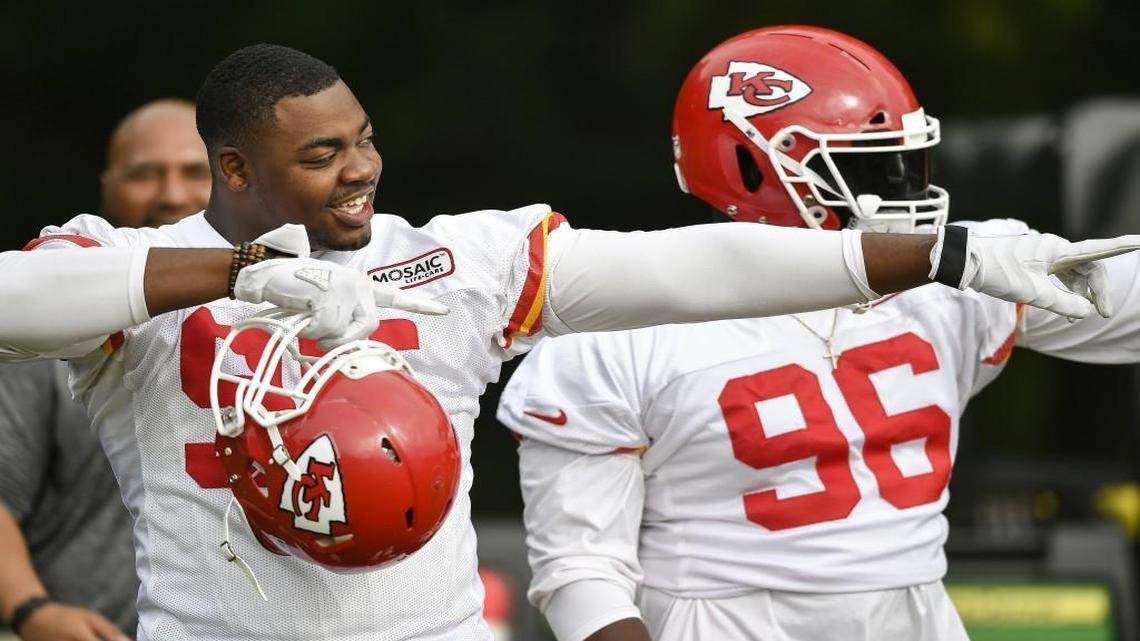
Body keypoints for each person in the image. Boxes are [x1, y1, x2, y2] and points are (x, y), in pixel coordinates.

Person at [0, 43, 1132, 641]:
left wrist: (943, 255)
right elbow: (15, 301)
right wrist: (238, 275)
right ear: (235, 171)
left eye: (367, 141)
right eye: (323, 154)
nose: (362, 170)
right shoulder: (121, 269)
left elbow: (688, 266)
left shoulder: (453, 260)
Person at [495, 26, 1140, 641]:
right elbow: (581, 574)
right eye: (874, 172)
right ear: (753, 170)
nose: (908, 196)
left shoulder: (956, 277)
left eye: (909, 166)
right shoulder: (620, 333)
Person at [0, 99, 209, 641]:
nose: (172, 193)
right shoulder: (49, 330)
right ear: (108, 187)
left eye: (195, 171)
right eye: (145, 174)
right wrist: (32, 611)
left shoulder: (283, 321)